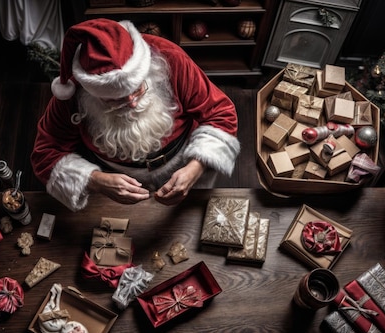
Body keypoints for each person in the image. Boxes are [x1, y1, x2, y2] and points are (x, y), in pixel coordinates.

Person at [31, 18, 240, 212]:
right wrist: (95, 180)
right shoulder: (72, 93)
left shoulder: (171, 59)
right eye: (116, 99)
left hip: (185, 162)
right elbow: (45, 153)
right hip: (115, 181)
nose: (132, 103)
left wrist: (196, 167)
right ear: (92, 93)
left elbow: (221, 113)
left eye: (138, 88)